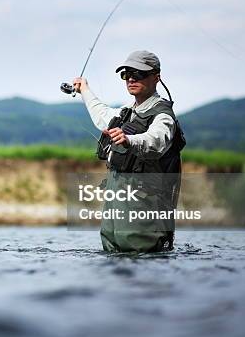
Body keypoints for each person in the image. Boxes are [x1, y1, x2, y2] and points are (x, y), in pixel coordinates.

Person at [72, 50, 185, 253]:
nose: (131, 78)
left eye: (139, 73)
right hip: (115, 206)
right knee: (112, 259)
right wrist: (85, 90)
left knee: (142, 263)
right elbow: (103, 116)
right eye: (126, 74)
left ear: (156, 77)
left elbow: (156, 141)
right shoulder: (126, 112)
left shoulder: (163, 116)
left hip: (143, 209)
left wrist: (128, 140)